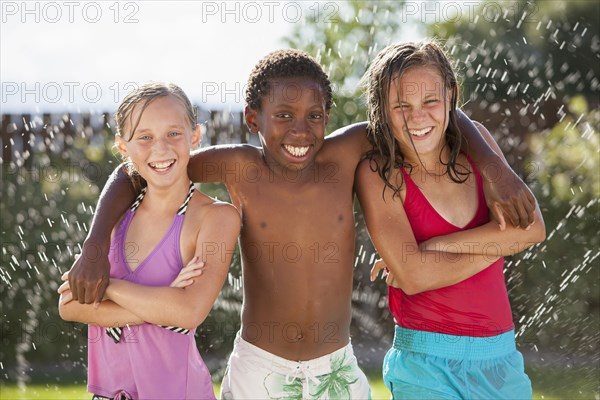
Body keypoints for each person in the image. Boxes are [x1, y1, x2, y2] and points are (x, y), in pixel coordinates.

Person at [66, 49, 536, 399]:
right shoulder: (238, 166)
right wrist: (94, 247)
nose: (299, 130)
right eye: (283, 116)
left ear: (328, 118)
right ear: (253, 118)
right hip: (259, 368)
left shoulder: (349, 149)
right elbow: (137, 170)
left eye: (314, 117)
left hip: (337, 368)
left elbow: (441, 115)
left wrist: (497, 171)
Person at [355, 40, 546, 399]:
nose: (417, 117)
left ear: (451, 95)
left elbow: (533, 229)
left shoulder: (478, 149)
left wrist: (435, 246)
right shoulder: (380, 173)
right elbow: (412, 276)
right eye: (401, 106)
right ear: (382, 108)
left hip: (500, 358)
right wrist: (498, 244)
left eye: (430, 101)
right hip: (425, 362)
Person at [58, 82, 241, 400]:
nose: (161, 148)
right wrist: (164, 301)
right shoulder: (115, 215)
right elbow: (69, 305)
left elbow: (188, 313)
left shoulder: (215, 218)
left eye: (173, 133)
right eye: (144, 137)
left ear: (194, 136)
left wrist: (109, 287)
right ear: (122, 146)